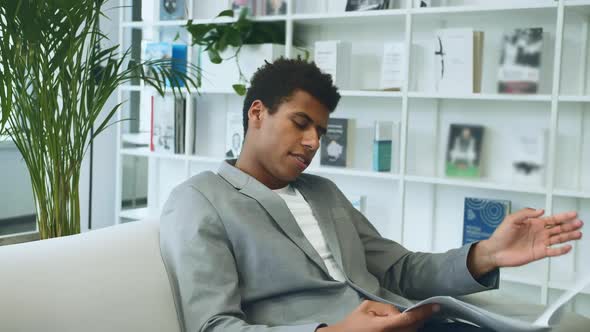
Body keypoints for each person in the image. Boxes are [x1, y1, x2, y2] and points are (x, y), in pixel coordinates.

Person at [159, 58, 583, 332]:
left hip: (408, 320)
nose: (312, 142)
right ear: (256, 113)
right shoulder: (199, 200)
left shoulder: (323, 192)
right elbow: (212, 326)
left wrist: (486, 254)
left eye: (320, 132)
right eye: (300, 123)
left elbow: (398, 270)